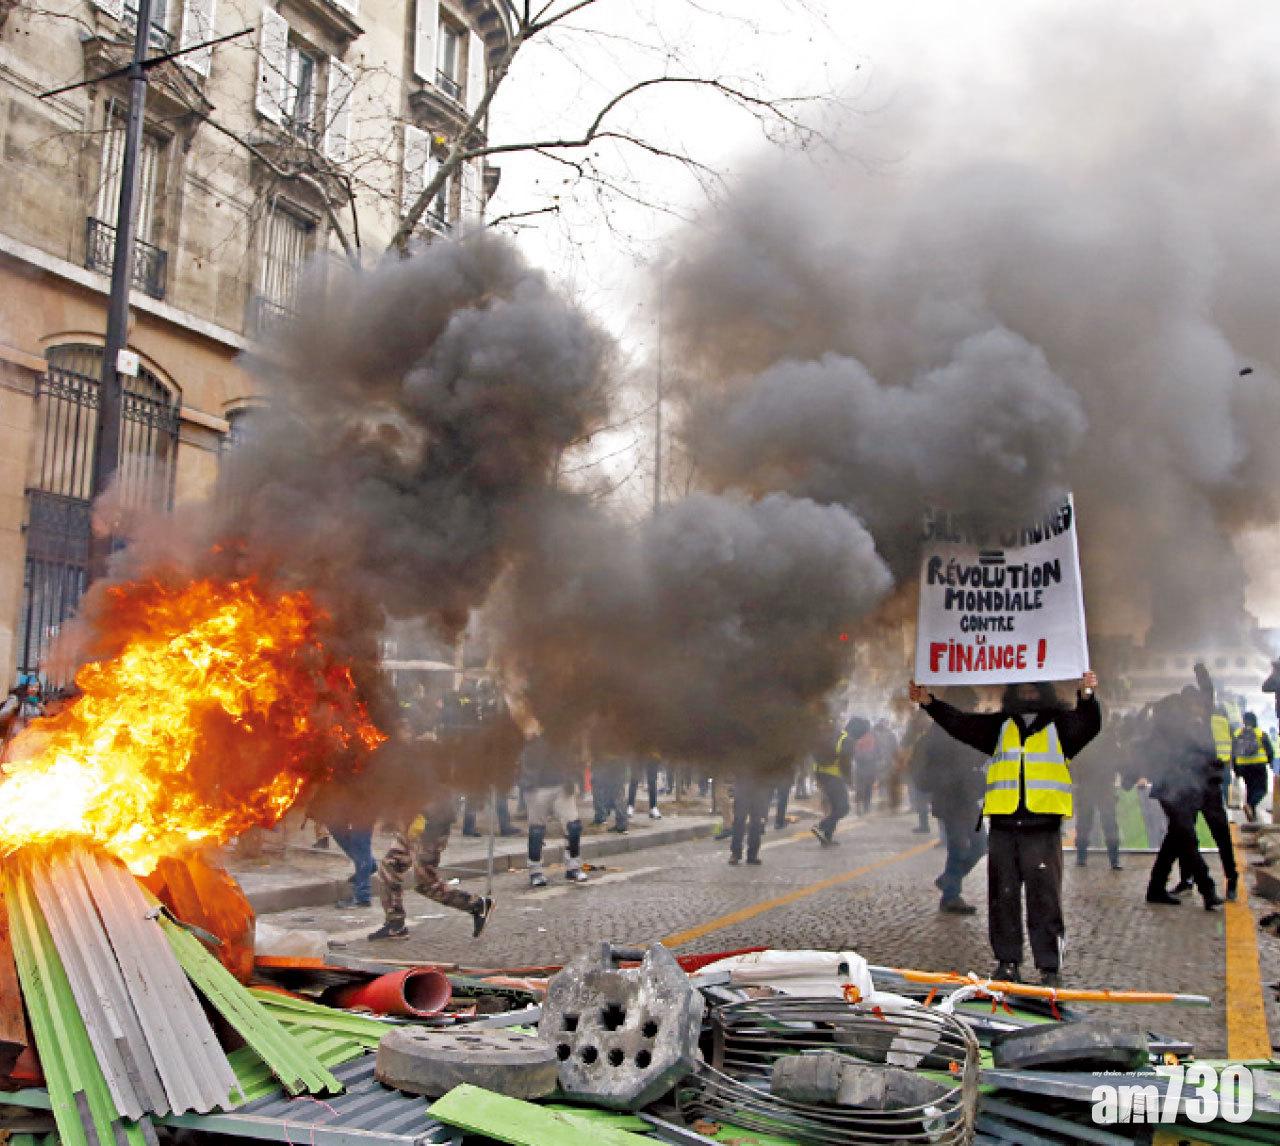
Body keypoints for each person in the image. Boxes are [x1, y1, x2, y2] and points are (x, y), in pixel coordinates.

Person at [908, 672, 1101, 987]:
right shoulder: (998, 726)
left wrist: (1087, 695)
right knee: (1003, 897)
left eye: (1035, 684)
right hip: (1004, 824)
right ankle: (1007, 962)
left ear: (1045, 688)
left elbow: (1089, 725)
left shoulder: (1062, 725)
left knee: (1044, 897)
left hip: (1043, 824)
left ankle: (1049, 966)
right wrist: (929, 703)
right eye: (1022, 684)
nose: (1028, 689)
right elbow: (959, 724)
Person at [1141, 683, 1225, 912]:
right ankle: (1207, 891)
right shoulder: (1172, 733)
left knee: (1175, 841)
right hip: (1173, 792)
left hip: (1176, 791)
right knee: (1187, 841)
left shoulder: (1165, 730)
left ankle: (1156, 888)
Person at [368, 794, 494, 940]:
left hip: (430, 828)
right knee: (390, 866)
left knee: (426, 883)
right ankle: (395, 923)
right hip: (413, 823)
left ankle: (477, 905)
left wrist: (425, 814)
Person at [911, 687, 987, 914]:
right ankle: (951, 895)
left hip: (967, 798)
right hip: (951, 798)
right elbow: (928, 765)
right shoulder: (941, 731)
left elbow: (976, 755)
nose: (973, 710)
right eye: (971, 706)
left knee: (980, 845)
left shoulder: (964, 728)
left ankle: (949, 882)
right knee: (959, 847)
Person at [520, 727, 589, 887]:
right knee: (537, 830)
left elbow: (573, 754)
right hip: (538, 785)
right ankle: (535, 869)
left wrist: (573, 778)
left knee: (573, 826)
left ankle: (573, 866)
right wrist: (527, 782)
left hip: (561, 783)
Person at [1073, 714, 1126, 870]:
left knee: (1085, 823)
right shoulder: (1109, 739)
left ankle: (1081, 858)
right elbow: (1119, 760)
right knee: (1108, 823)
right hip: (1101, 786)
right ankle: (1113, 859)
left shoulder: (1083, 736)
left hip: (1089, 785)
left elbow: (1075, 760)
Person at [811, 719, 854, 847]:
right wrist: (849, 780)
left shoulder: (821, 737)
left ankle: (827, 837)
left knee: (835, 807)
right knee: (843, 808)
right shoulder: (845, 739)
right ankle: (821, 826)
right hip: (834, 776)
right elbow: (845, 763)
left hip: (821, 775)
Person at [1232, 712, 1272, 824]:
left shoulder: (1237, 734)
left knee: (1250, 789)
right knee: (1262, 789)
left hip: (1243, 766)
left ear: (1244, 721)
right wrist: (1268, 761)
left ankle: (1252, 815)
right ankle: (1250, 805)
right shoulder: (1260, 733)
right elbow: (1269, 750)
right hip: (1258, 765)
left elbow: (1233, 753)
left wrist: (1236, 769)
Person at [728, 770, 771, 865]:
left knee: (756, 823)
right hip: (743, 786)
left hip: (759, 789)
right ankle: (735, 853)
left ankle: (753, 854)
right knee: (739, 821)